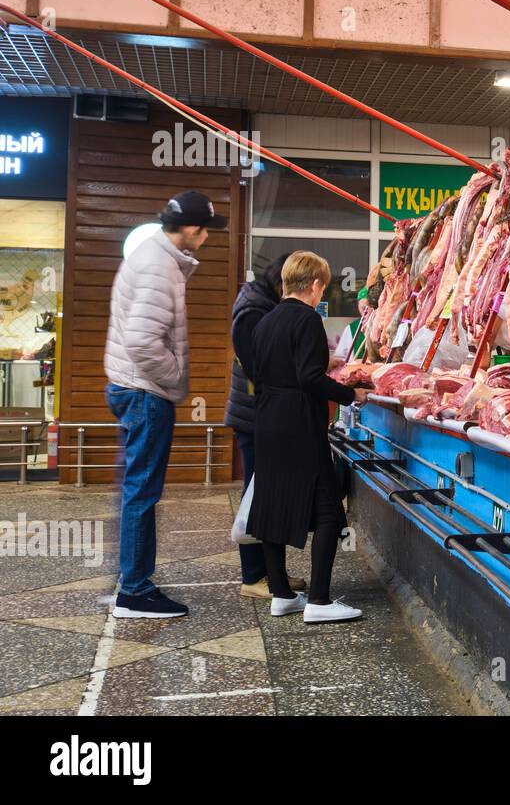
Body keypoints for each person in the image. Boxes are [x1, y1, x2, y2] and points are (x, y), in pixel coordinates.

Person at [104, 191, 227, 619]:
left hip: (131, 386)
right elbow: (141, 339)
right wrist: (175, 377)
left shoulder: (152, 256)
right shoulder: (158, 265)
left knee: (138, 490)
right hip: (144, 391)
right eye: (208, 228)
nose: (209, 236)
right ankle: (135, 591)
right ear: (193, 229)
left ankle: (133, 582)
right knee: (142, 491)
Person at [246, 251, 368, 623]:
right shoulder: (308, 320)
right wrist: (351, 395)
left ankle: (281, 594)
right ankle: (318, 600)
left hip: (267, 420)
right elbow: (307, 379)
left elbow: (277, 369)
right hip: (299, 423)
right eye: (323, 286)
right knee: (329, 509)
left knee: (270, 504)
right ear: (315, 285)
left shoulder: (265, 322)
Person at [224, 252, 308, 600]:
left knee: (269, 493)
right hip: (255, 417)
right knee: (258, 495)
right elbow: (261, 369)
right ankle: (254, 575)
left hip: (263, 414)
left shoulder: (261, 303)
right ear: (281, 284)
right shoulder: (252, 313)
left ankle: (275, 573)